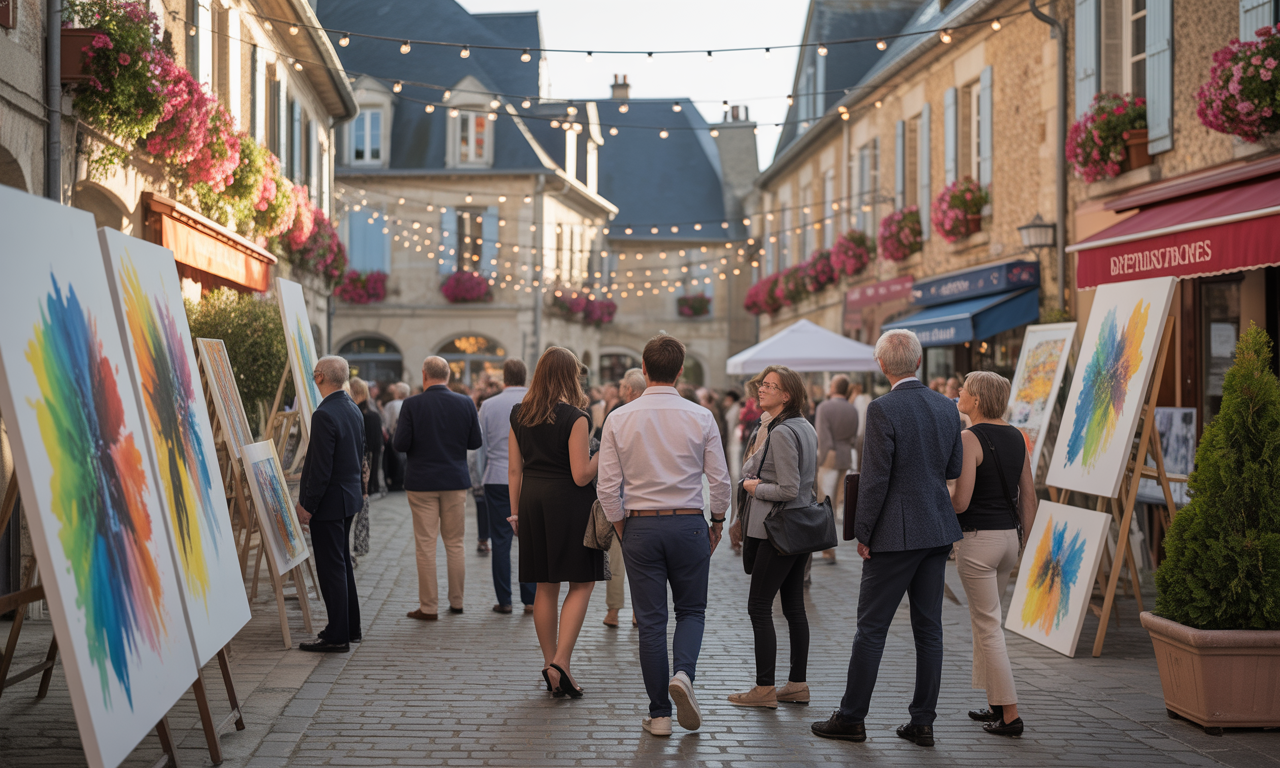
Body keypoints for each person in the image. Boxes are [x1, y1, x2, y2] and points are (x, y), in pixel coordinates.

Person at [812, 329, 964, 747]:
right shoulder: (946, 406)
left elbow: (876, 479)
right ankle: (923, 721)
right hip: (935, 527)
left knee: (872, 627)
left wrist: (863, 532)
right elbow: (953, 467)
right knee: (929, 629)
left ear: (882, 366)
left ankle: (852, 716)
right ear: (918, 362)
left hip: (895, 533)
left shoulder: (883, 408)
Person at [598, 335, 732, 738]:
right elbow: (720, 480)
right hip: (689, 522)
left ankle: (659, 715)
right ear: (680, 370)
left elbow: (607, 486)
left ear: (643, 366)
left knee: (652, 622)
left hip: (640, 524)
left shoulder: (619, 417)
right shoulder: (701, 416)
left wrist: (622, 525)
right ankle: (684, 675)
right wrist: (718, 521)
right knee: (691, 611)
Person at [508, 347, 602, 698]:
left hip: (532, 501)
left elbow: (514, 468)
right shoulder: (576, 417)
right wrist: (602, 451)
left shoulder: (520, 413)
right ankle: (562, 661)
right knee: (582, 583)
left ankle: (551, 664)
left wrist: (515, 511)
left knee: (545, 585)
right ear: (569, 376)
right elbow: (581, 475)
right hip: (568, 503)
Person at [950, 371, 1037, 738]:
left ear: (979, 401)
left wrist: (941, 494)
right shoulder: (1017, 436)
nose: (958, 393)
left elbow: (962, 502)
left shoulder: (970, 437)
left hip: (977, 541)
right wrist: (1026, 546)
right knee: (987, 620)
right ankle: (994, 703)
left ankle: (1010, 715)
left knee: (988, 626)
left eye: (964, 390)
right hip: (1008, 541)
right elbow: (1029, 497)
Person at [727, 365, 816, 710]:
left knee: (759, 607)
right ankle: (797, 684)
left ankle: (764, 688)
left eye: (770, 386)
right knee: (794, 606)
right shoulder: (803, 426)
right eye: (761, 384)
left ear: (787, 395)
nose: (761, 390)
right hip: (799, 528)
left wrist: (753, 486)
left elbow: (789, 488)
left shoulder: (780, 432)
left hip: (776, 528)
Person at [395, 357, 482, 621]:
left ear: (424, 375)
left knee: (425, 545)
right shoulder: (465, 402)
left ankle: (429, 606)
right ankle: (457, 602)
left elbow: (400, 444)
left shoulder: (411, 404)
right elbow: (475, 442)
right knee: (455, 543)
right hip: (454, 481)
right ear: (447, 375)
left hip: (421, 482)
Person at [295, 356, 365, 652]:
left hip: (330, 501)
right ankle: (350, 627)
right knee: (342, 564)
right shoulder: (352, 407)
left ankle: (337, 635)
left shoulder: (325, 413)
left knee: (332, 567)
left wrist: (307, 506)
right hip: (348, 497)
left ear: (319, 376)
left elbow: (321, 468)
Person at [477, 359, 537, 614]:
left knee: (500, 540)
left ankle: (505, 600)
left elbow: (480, 447)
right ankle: (531, 599)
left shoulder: (489, 405)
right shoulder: (535, 402)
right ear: (525, 377)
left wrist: (480, 477)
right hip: (531, 478)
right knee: (531, 540)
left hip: (497, 476)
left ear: (505, 378)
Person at [603, 367, 646, 629]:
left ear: (629, 390)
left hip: (620, 498)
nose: (619, 391)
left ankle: (613, 612)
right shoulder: (656, 414)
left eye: (621, 387)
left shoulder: (617, 416)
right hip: (648, 503)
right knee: (644, 566)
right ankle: (637, 613)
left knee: (616, 561)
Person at [813, 375, 860, 564]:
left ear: (833, 387)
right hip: (846, 455)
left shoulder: (824, 407)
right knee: (835, 504)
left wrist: (820, 461)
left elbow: (822, 437)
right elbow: (854, 436)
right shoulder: (852, 408)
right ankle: (829, 547)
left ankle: (828, 548)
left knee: (824, 503)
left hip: (829, 457)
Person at [348, 376, 382, 563]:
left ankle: (352, 550)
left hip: (360, 473)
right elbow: (376, 448)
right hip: (367, 474)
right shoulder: (372, 414)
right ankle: (358, 547)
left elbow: (365, 449)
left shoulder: (357, 414)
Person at [382, 382, 409, 491]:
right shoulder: (410, 403)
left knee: (395, 460)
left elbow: (388, 422)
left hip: (395, 435)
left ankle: (396, 482)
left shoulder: (391, 405)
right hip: (408, 436)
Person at [848, 382, 871, 471]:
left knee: (859, 463)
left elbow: (861, 418)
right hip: (861, 434)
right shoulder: (863, 399)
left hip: (860, 434)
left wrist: (857, 435)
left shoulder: (859, 400)